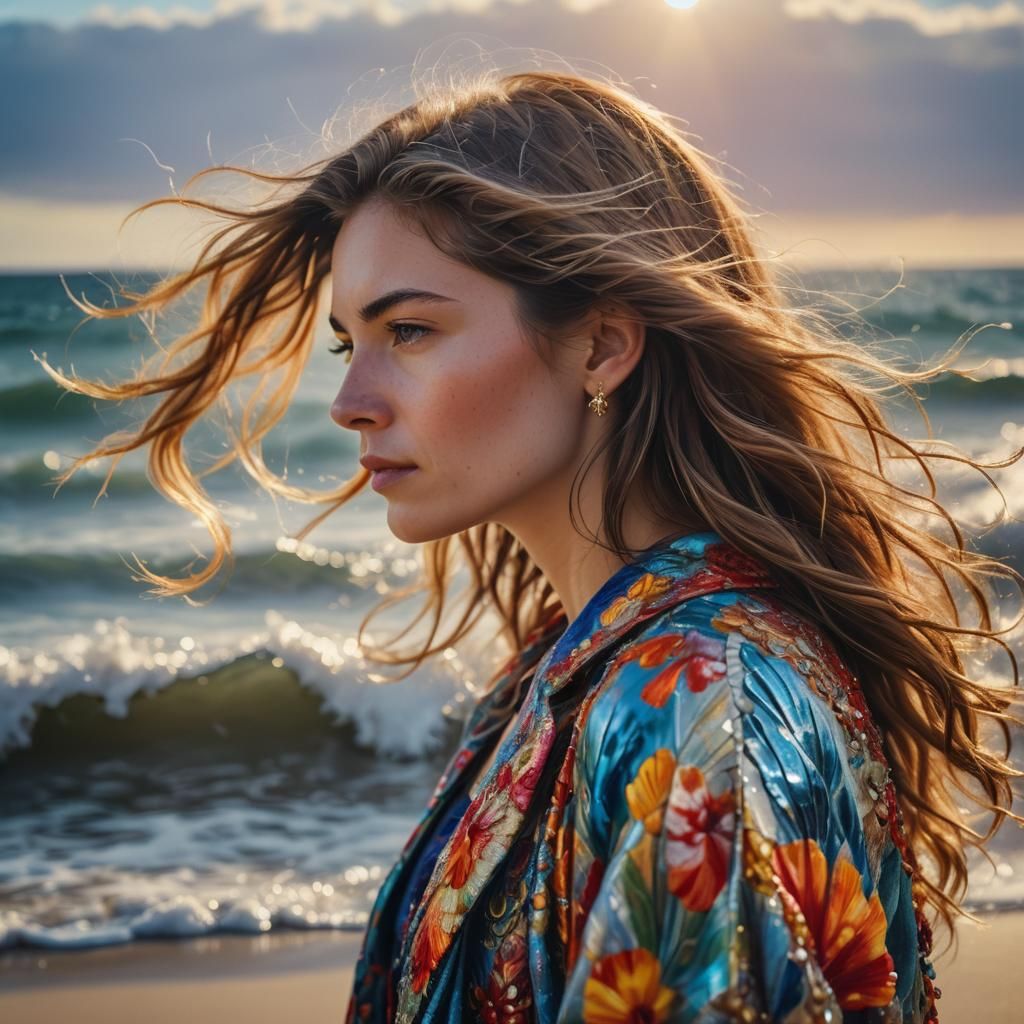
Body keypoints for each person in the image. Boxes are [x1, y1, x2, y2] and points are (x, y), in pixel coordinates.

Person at [41, 67, 1021, 1023]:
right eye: (347, 343)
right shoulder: (578, 664)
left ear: (601, 346)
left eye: (409, 331)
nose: (348, 402)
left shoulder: (690, 703)